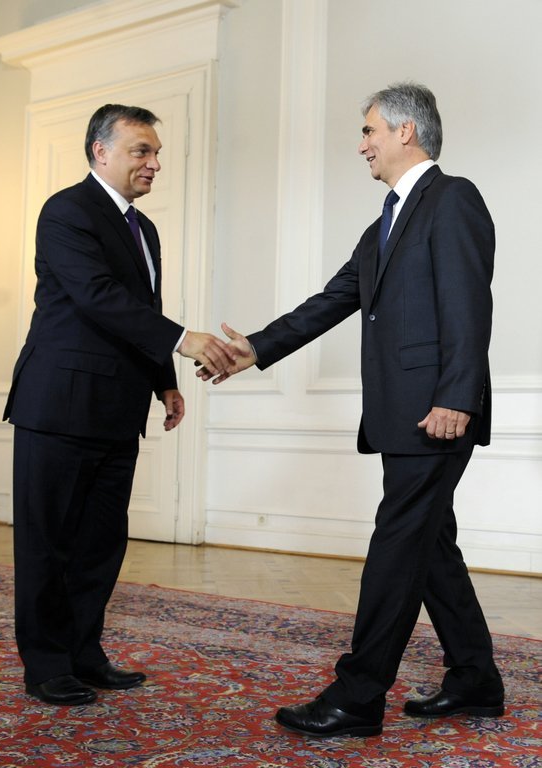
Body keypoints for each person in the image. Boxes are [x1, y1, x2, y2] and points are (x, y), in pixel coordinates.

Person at [201, 82, 504, 737]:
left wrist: (456, 395)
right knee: (429, 545)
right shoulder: (384, 224)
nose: (362, 144)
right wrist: (255, 348)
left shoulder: (452, 198)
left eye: (369, 130)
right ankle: (476, 679)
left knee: (398, 545)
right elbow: (332, 300)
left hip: (436, 412)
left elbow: (468, 302)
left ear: (405, 131)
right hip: (404, 413)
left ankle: (358, 696)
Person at [3, 104, 234, 706]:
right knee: (48, 543)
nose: (154, 163)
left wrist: (164, 381)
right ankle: (45, 665)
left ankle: (85, 653)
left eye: (156, 153)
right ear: (100, 152)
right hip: (58, 405)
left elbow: (142, 309)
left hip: (117, 408)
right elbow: (97, 296)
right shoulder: (66, 211)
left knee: (100, 545)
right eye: (141, 151)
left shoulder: (144, 228)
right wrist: (184, 341)